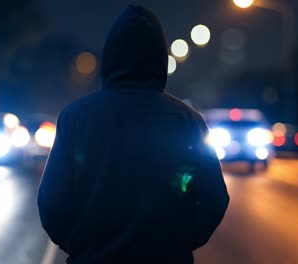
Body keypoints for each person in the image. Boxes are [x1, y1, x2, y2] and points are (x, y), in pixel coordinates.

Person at [37, 5, 229, 264]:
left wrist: (81, 246)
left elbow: (52, 201)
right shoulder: (188, 121)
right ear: (159, 58)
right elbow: (214, 198)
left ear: (110, 56)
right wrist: (179, 243)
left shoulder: (75, 117)